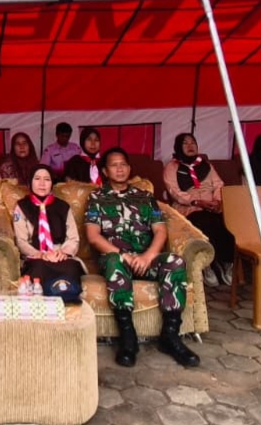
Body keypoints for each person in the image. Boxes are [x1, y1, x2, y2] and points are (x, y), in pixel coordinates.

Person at [85, 147, 199, 368]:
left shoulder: (145, 197)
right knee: (114, 261)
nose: (120, 169)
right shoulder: (97, 198)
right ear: (105, 171)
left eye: (123, 164)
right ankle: (128, 338)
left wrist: (148, 256)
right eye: (114, 165)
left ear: (129, 168)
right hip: (117, 259)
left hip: (146, 259)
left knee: (175, 261)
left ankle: (170, 336)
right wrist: (124, 256)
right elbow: (93, 236)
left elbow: (160, 231)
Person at [163, 133, 234, 286]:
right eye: (185, 143)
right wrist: (196, 202)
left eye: (193, 142)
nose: (190, 146)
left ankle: (226, 263)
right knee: (203, 221)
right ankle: (207, 265)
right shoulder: (172, 167)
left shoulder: (206, 165)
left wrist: (217, 201)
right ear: (178, 147)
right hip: (189, 207)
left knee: (228, 223)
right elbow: (174, 191)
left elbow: (218, 184)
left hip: (212, 206)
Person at [12, 166, 84, 301]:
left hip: (59, 255)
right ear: (30, 182)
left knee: (71, 267)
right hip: (36, 256)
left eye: (47, 179)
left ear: (52, 183)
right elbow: (21, 241)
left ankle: (68, 303)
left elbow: (73, 237)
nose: (42, 183)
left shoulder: (63, 206)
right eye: (37, 179)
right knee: (38, 268)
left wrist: (63, 253)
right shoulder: (21, 207)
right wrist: (40, 254)